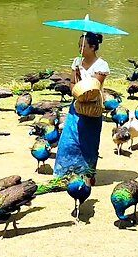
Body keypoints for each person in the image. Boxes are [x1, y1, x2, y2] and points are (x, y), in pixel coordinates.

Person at [53, 31, 110, 184]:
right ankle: (65, 173)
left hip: (92, 108)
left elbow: (94, 86)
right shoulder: (77, 61)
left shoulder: (101, 65)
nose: (80, 49)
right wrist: (74, 89)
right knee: (68, 140)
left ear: (92, 47)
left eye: (83, 46)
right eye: (79, 45)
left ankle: (88, 175)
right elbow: (72, 83)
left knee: (89, 142)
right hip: (76, 106)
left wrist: (82, 89)